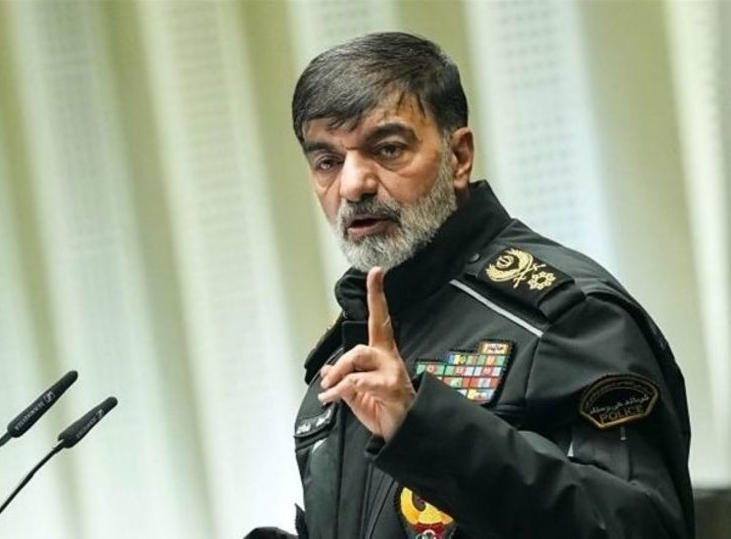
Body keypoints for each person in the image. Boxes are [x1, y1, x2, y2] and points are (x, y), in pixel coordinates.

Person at [247, 32, 694, 539]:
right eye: (328, 161)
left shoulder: (566, 319)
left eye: (387, 149)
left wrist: (424, 428)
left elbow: (641, 528)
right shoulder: (347, 347)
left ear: (458, 157)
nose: (353, 185)